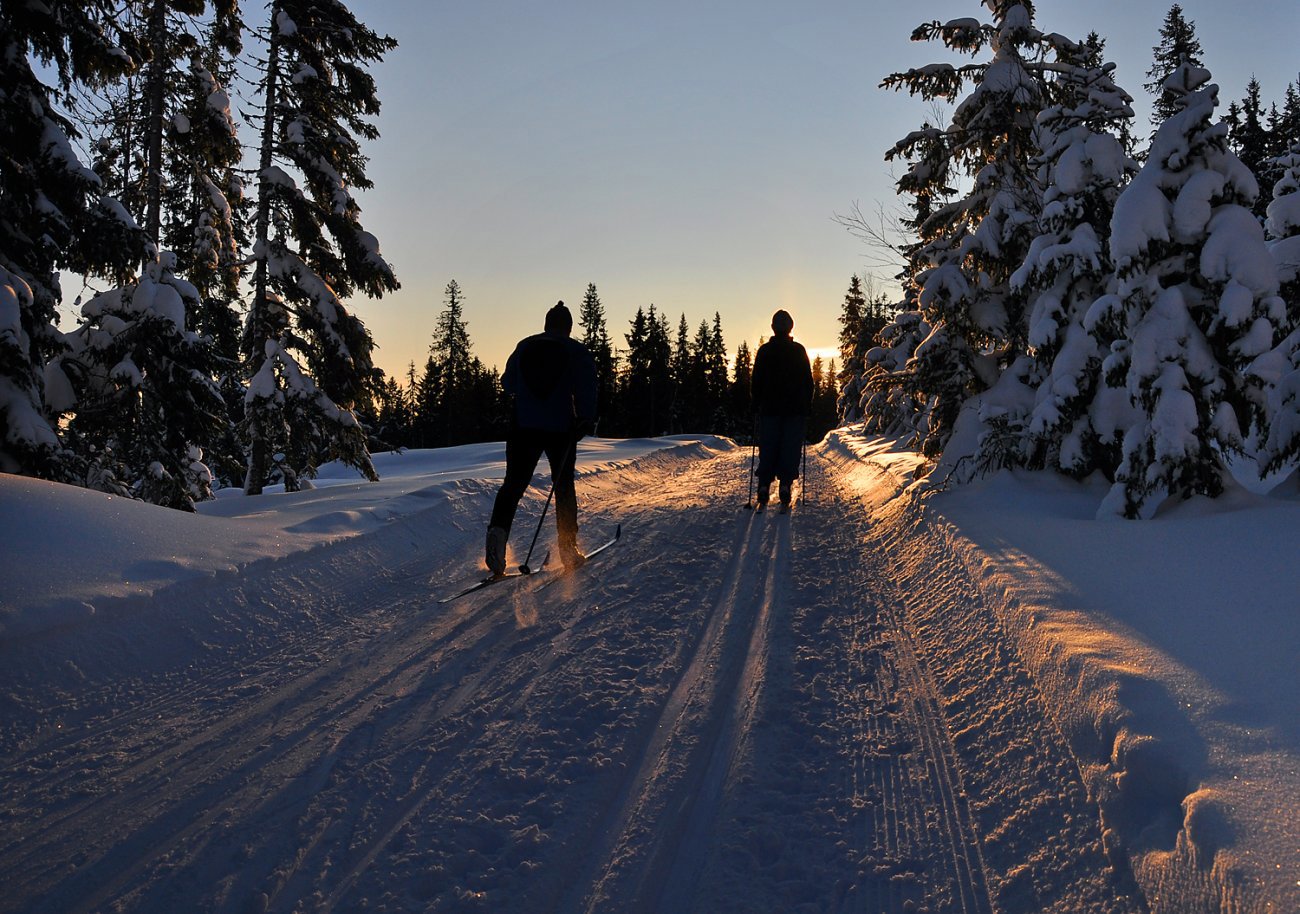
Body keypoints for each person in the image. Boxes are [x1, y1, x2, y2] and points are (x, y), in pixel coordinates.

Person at [486, 301, 598, 574]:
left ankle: (496, 542)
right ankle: (568, 548)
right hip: (561, 428)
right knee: (563, 486)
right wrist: (586, 418)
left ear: (547, 324)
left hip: (523, 426)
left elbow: (508, 384)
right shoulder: (576, 351)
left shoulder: (525, 345)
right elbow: (586, 386)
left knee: (513, 485)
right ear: (568, 327)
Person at [750, 308, 813, 510]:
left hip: (769, 408)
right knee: (790, 447)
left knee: (769, 445)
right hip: (795, 410)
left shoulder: (765, 351)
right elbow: (808, 381)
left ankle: (763, 485)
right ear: (790, 328)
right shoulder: (798, 350)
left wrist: (755, 402)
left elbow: (756, 380)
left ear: (773, 328)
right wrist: (807, 404)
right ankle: (785, 484)